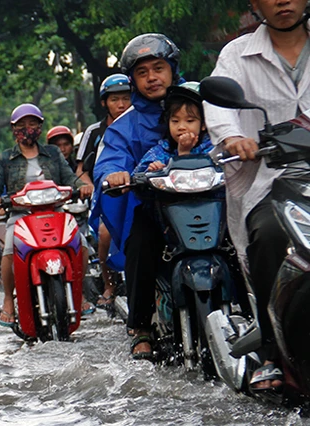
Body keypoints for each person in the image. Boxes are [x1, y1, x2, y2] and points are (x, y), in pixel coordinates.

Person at [205, 0, 310, 391]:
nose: (283, 1)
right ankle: (271, 352)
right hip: (272, 179)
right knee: (267, 235)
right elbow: (216, 107)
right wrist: (233, 137)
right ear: (254, 4)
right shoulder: (237, 55)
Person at [91, 33, 183, 361]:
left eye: (158, 68)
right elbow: (109, 162)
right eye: (142, 73)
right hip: (154, 209)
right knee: (140, 241)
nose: (152, 78)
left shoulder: (200, 103)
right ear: (133, 81)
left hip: (206, 202)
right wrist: (115, 175)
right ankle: (141, 327)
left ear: (172, 69)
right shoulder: (123, 126)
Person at [0, 104, 92, 326]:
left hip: (54, 211)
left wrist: (81, 185)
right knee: (8, 250)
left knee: (80, 244)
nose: (27, 128)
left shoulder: (53, 153)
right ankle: (8, 299)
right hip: (21, 215)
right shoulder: (4, 158)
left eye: (32, 123)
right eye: (22, 125)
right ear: (13, 129)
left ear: (40, 126)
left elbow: (69, 177)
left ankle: (79, 293)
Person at [77, 74, 134, 307]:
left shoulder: (143, 122)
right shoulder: (94, 131)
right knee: (104, 233)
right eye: (115, 100)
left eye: (126, 98)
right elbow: (80, 169)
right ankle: (109, 284)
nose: (121, 105)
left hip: (139, 188)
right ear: (104, 103)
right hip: (108, 193)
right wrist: (88, 184)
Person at [135, 83, 214, 174]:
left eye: (189, 121)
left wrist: (184, 152)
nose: (181, 127)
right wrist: (154, 172)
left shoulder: (214, 150)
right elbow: (137, 177)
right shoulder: (160, 151)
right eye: (175, 121)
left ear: (203, 124)